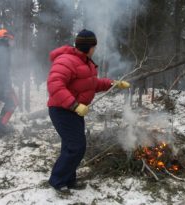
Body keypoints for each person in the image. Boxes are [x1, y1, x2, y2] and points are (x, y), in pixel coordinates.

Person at [47, 29, 130, 194]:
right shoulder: (66, 60)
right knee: (77, 146)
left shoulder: (85, 62)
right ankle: (57, 181)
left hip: (74, 111)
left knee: (70, 146)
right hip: (62, 110)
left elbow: (92, 84)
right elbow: (54, 85)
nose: (95, 49)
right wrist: (74, 105)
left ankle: (68, 180)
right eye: (94, 46)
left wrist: (113, 83)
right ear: (89, 46)